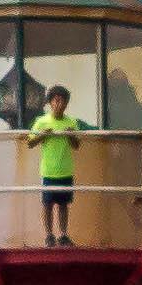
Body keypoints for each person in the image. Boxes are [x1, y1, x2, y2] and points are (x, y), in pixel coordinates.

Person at [29, 80, 84, 248]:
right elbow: (30, 143)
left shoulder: (72, 122)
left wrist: (71, 135)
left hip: (66, 170)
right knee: (47, 204)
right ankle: (49, 235)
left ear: (66, 103)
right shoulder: (41, 121)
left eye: (62, 100)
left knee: (63, 204)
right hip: (48, 171)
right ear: (50, 102)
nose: (59, 103)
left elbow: (77, 145)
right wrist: (42, 135)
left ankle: (63, 234)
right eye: (55, 100)